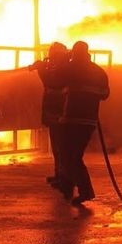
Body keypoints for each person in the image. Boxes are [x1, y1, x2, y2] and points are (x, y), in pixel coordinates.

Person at [58, 41, 110, 206]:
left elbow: (54, 80)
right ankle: (73, 186)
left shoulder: (70, 68)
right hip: (88, 121)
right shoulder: (98, 71)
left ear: (74, 53)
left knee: (69, 156)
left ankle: (83, 190)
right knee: (73, 156)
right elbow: (105, 94)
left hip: (72, 119)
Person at [30, 42, 70, 188]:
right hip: (55, 115)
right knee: (56, 148)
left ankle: (65, 179)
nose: (51, 57)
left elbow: (51, 82)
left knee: (62, 148)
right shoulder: (58, 67)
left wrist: (41, 69)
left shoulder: (65, 68)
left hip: (62, 115)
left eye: (53, 54)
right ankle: (59, 175)